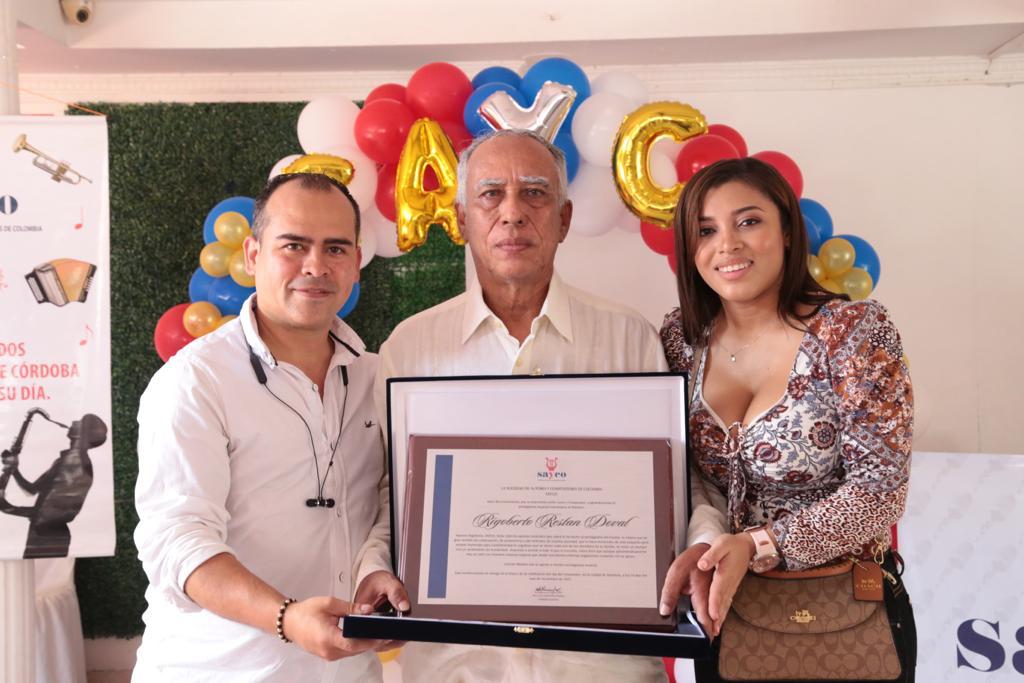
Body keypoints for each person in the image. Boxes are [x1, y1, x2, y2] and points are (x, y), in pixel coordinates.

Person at [376, 129, 669, 682]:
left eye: (534, 193)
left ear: (563, 219)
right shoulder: (411, 348)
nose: (512, 213)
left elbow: (671, 489)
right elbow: (388, 494)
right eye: (491, 194)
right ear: (462, 219)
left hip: (603, 667)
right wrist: (374, 566)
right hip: (454, 666)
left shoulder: (629, 339)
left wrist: (698, 550)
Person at [133, 172, 408, 682]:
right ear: (253, 255)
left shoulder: (377, 377)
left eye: (335, 248)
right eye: (294, 246)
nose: (316, 266)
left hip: (348, 673)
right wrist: (287, 618)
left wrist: (376, 567)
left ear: (356, 264)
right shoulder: (195, 381)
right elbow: (177, 540)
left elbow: (395, 501)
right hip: (218, 672)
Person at [657, 157, 915, 681]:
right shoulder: (681, 341)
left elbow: (880, 492)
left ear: (788, 232)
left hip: (844, 611)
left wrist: (760, 545)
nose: (727, 245)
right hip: (727, 613)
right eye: (706, 230)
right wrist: (707, 542)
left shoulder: (852, 331)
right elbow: (685, 474)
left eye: (748, 221)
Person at [0, 410, 106, 558]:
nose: (74, 422)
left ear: (82, 434)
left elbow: (49, 513)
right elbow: (31, 490)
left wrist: (7, 507)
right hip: (45, 533)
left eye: (80, 423)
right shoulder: (67, 460)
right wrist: (14, 468)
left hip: (48, 537)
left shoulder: (74, 463)